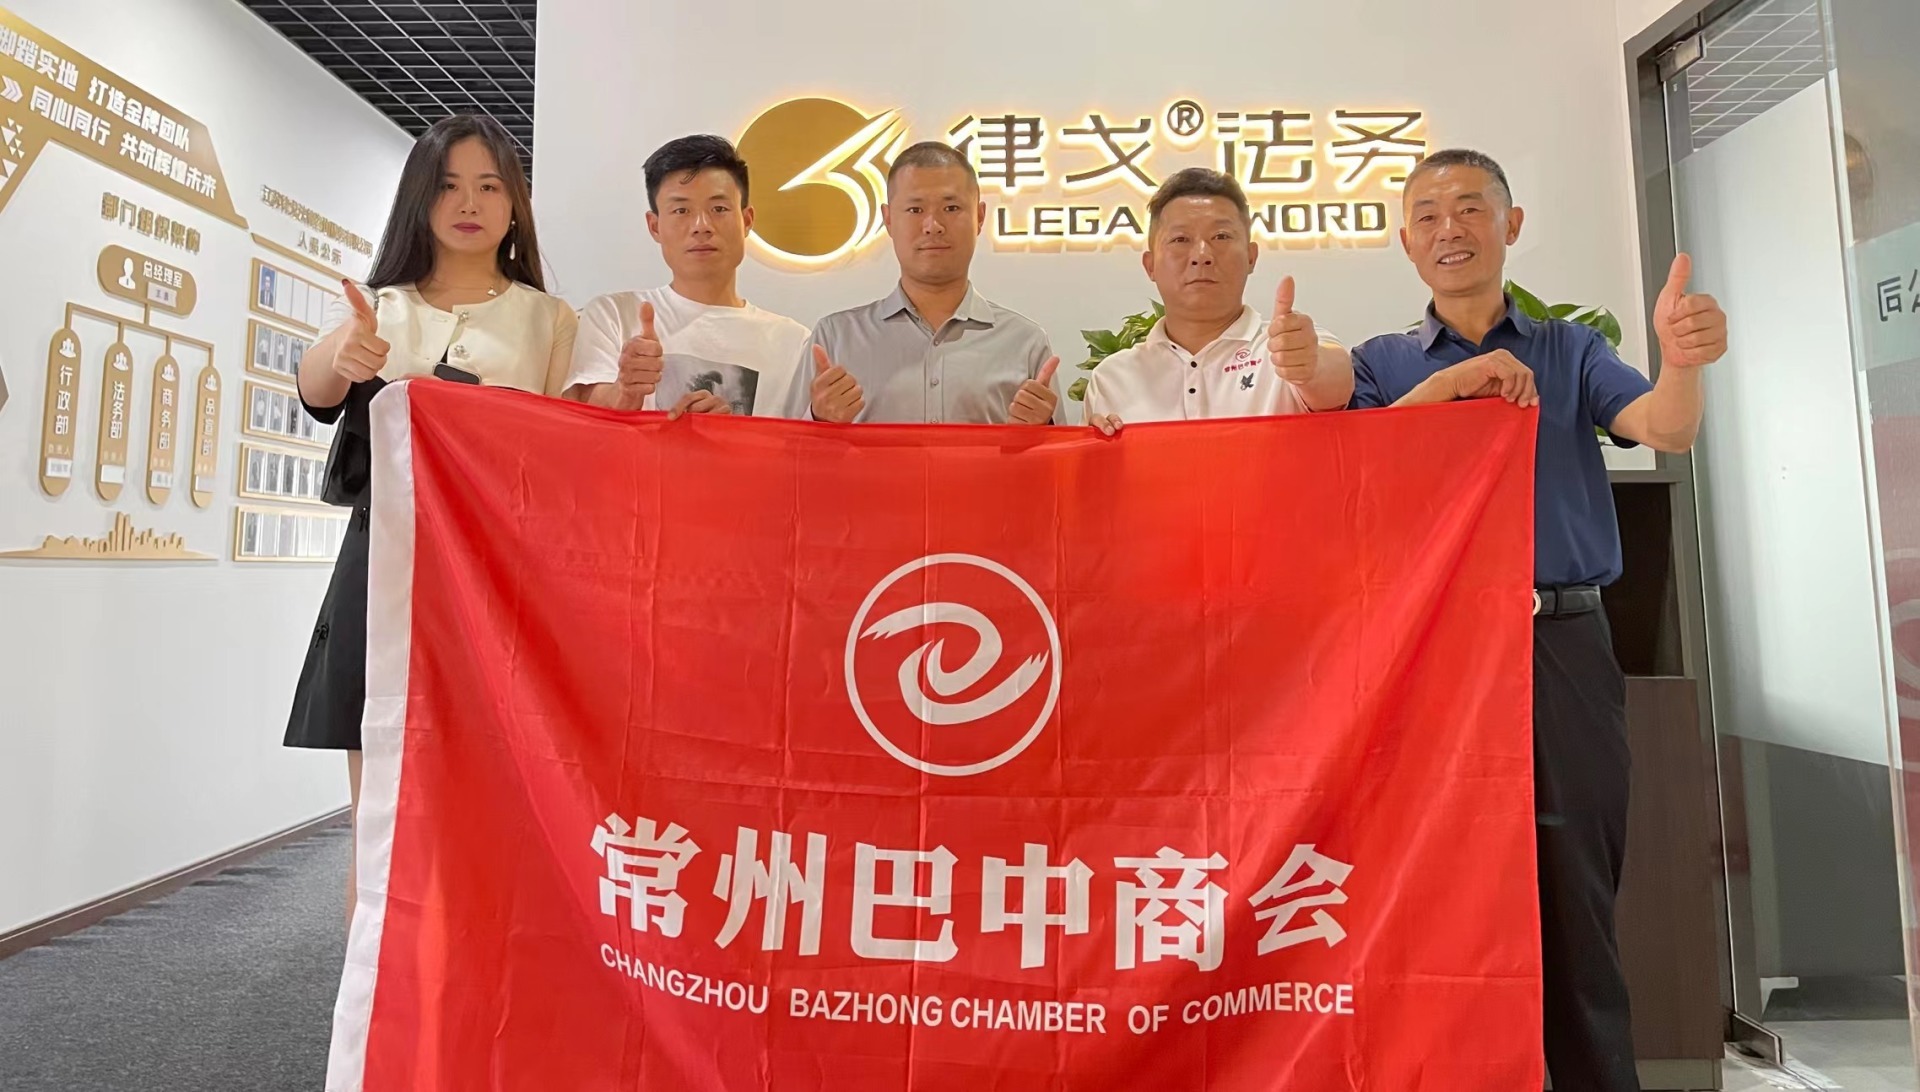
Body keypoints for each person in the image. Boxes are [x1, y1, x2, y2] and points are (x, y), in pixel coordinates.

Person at [1347, 148, 1726, 1092]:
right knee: (1443, 884)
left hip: (1560, 643)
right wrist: (1453, 386)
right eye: (1427, 214)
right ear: (1405, 242)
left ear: (1510, 226)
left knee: (1576, 883)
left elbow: (1665, 427)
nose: (1450, 228)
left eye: (1471, 208)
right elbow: (1358, 474)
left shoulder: (1571, 349)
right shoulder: (1381, 364)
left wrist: (1682, 363)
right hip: (1435, 654)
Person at [283, 114, 578, 920]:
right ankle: (375, 993)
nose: (469, 203)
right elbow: (315, 389)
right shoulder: (380, 307)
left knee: (487, 803)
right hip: (385, 569)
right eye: (448, 186)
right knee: (379, 815)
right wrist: (344, 354)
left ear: (515, 206)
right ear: (419, 198)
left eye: (489, 186)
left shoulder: (551, 320)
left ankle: (465, 984)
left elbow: (567, 454)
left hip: (497, 581)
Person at [789, 141, 1059, 425]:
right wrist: (818, 420)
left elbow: (1060, 451)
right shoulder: (835, 338)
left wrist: (1038, 436)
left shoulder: (1025, 342)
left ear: (979, 217)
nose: (933, 226)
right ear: (888, 219)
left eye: (951, 208)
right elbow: (785, 447)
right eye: (915, 210)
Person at [1082, 168, 1351, 432]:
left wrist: (1311, 368)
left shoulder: (1287, 347)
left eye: (1221, 236)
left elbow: (1336, 382)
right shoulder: (1111, 379)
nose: (1202, 255)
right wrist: (1100, 446)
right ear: (1150, 265)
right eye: (1180, 239)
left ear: (1251, 257)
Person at [565, 135, 807, 418]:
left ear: (747, 220)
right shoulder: (614, 315)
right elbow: (583, 421)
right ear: (655, 226)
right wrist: (625, 391)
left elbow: (801, 441)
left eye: (719, 209)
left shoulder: (794, 342)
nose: (701, 226)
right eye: (681, 210)